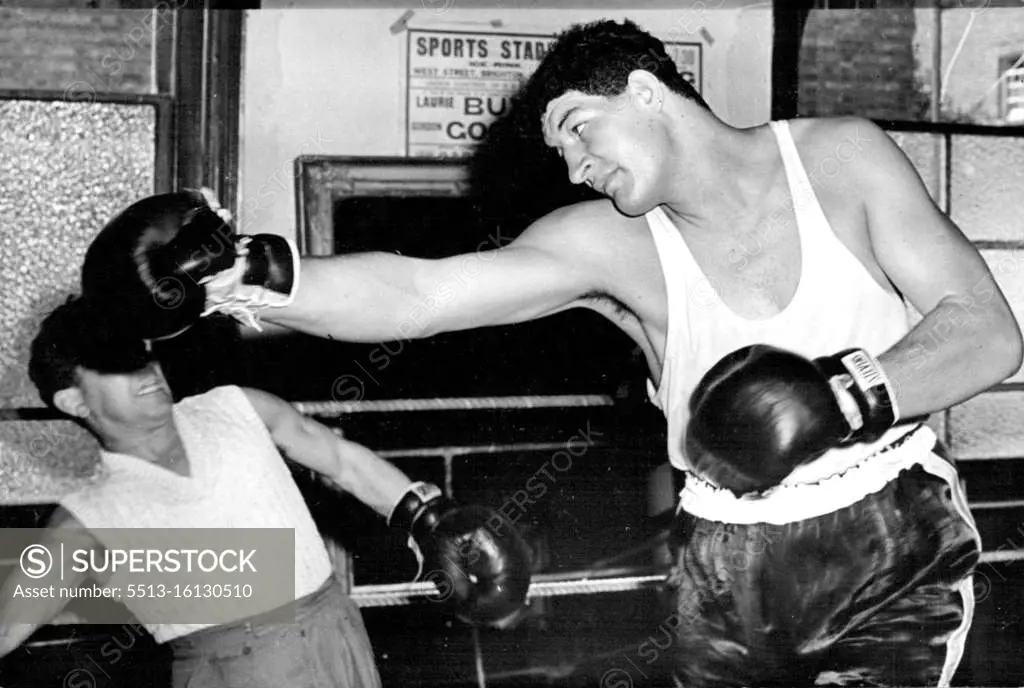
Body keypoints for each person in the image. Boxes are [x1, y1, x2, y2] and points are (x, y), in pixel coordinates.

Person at [80, 18, 1022, 687]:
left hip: (888, 541)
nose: (574, 167)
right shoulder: (609, 242)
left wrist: (843, 397)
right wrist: (246, 273)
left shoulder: (840, 159)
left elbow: (985, 328)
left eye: (577, 129)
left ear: (646, 91)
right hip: (723, 566)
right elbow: (423, 292)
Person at [0, 296, 531, 688]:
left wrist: (429, 515)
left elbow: (341, 460)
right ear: (72, 401)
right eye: (114, 364)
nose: (146, 369)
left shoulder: (235, 405)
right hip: (234, 671)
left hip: (336, 636)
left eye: (140, 353)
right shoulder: (87, 516)